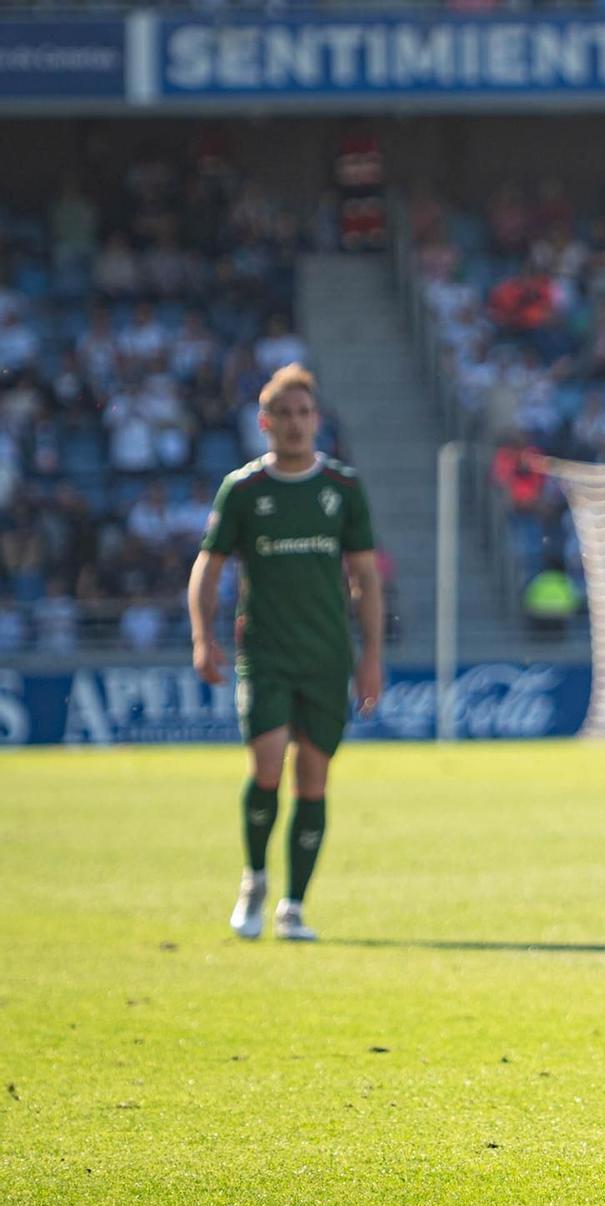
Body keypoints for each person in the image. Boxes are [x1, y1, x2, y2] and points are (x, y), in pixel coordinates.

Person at [187, 364, 382, 943]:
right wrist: (203, 634)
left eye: (305, 414)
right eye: (285, 415)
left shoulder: (343, 489)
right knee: (268, 764)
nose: (296, 425)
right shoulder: (244, 490)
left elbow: (365, 576)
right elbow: (208, 566)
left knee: (314, 780)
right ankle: (254, 879)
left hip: (327, 656)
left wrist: (371, 654)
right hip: (265, 652)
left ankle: (293, 906)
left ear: (316, 420)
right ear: (265, 423)